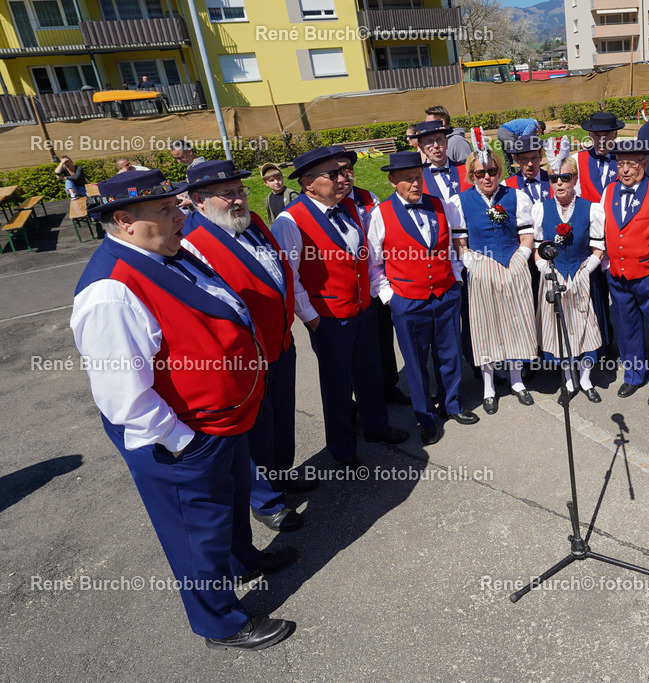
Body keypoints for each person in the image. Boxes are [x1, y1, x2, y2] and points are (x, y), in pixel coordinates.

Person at [72, 169, 296, 650]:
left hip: (221, 419)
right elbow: (122, 396)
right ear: (125, 220)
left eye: (179, 205)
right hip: (183, 438)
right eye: (167, 209)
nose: (182, 214)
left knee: (230, 506)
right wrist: (183, 443)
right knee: (196, 533)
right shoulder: (110, 289)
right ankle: (220, 623)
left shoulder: (171, 251)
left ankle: (241, 559)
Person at [181, 160, 314, 534]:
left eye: (240, 191)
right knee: (255, 429)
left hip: (280, 345)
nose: (237, 200)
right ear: (198, 201)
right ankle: (265, 500)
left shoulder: (252, 221)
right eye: (227, 194)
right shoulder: (193, 244)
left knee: (281, 419)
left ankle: (281, 476)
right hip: (245, 360)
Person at [271, 146, 409, 469]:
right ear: (308, 183)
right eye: (332, 174)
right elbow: (288, 277)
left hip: (362, 310)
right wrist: (314, 319)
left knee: (370, 373)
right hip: (330, 319)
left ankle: (377, 427)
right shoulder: (290, 221)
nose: (341, 178)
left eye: (341, 172)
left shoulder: (346, 207)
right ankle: (343, 450)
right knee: (336, 387)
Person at [367, 151, 480, 444]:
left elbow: (452, 246)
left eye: (418, 177)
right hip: (407, 300)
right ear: (393, 180)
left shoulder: (440, 205)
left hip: (444, 294)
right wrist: (390, 297)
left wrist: (454, 279)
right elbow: (374, 263)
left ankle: (452, 405)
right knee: (416, 364)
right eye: (407, 179)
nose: (415, 184)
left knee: (450, 353)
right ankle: (426, 417)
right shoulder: (380, 214)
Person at [450, 149, 538, 414]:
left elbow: (526, 233)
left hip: (513, 266)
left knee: (516, 322)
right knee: (485, 327)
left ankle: (516, 380)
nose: (487, 177)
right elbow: (460, 243)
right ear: (471, 175)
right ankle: (488, 386)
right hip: (481, 269)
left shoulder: (516, 196)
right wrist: (475, 265)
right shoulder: (459, 202)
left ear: (499, 172)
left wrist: (521, 259)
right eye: (480, 172)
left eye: (491, 171)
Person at [595, 139, 649, 406]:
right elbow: (602, 229)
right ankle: (633, 373)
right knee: (627, 327)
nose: (625, 170)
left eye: (631, 164)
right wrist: (607, 264)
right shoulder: (609, 191)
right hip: (618, 275)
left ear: (644, 163)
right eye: (621, 164)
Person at [333, 145, 412, 407]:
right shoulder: (328, 204)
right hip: (346, 289)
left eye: (348, 169)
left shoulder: (369, 198)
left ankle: (389, 386)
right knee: (351, 351)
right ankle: (357, 400)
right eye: (337, 171)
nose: (344, 176)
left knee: (382, 340)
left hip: (375, 282)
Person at [532, 155, 606, 404]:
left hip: (582, 275)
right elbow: (537, 249)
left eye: (565, 177)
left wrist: (586, 271)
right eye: (554, 178)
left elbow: (599, 248)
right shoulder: (541, 209)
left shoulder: (592, 208)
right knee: (559, 329)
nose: (560, 183)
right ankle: (569, 379)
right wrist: (547, 270)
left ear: (575, 179)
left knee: (585, 329)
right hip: (554, 277)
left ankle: (585, 378)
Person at [573, 111, 624, 352]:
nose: (602, 141)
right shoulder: (577, 160)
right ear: (590, 136)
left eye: (607, 135)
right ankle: (601, 342)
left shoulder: (625, 160)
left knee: (623, 297)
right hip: (590, 242)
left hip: (621, 240)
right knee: (594, 296)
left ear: (615, 134)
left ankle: (628, 345)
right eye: (597, 136)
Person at [412, 120, 473, 201]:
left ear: (446, 142)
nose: (436, 145)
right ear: (421, 147)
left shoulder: (466, 170)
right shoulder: (417, 179)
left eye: (439, 139)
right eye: (429, 141)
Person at [502, 134, 550, 203]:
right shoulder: (507, 186)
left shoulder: (553, 180)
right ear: (516, 159)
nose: (530, 164)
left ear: (540, 156)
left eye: (534, 158)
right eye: (524, 159)